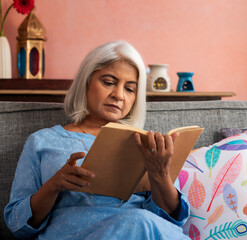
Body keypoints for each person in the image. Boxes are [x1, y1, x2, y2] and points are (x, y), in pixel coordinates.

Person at [4, 40, 190, 239]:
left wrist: (160, 174)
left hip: (139, 230)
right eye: (108, 82)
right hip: (75, 234)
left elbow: (170, 222)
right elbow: (16, 224)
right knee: (139, 221)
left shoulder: (147, 144)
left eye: (130, 89)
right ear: (86, 82)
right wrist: (53, 185)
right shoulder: (42, 141)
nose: (118, 95)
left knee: (141, 221)